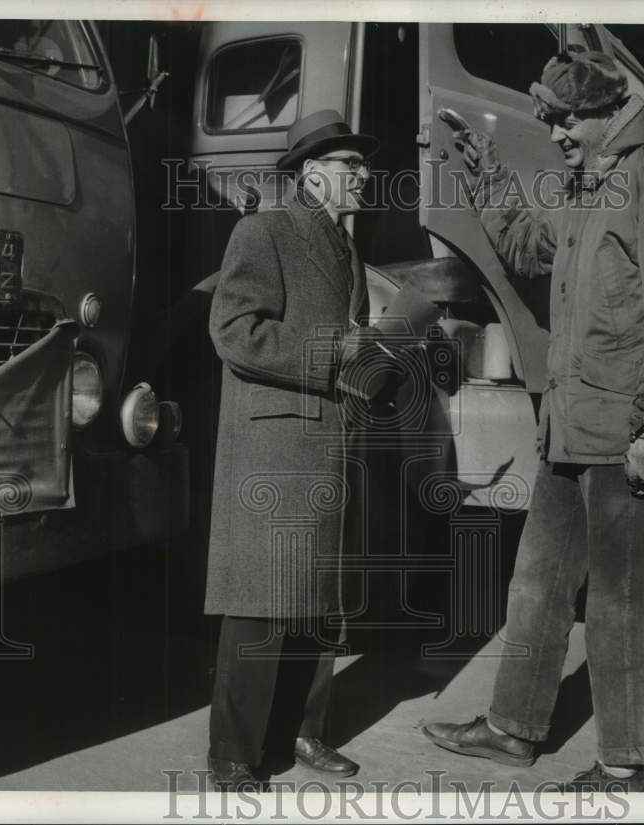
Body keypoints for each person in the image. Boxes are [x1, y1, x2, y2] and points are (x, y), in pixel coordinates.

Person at [422, 51, 644, 792]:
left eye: (563, 120)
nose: (554, 134)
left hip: (622, 435)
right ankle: (512, 727)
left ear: (605, 113)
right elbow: (525, 244)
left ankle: (625, 760)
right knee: (539, 582)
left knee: (622, 600)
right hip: (570, 427)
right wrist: (485, 169)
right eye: (548, 119)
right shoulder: (591, 186)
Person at [205, 109, 382, 790]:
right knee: (260, 598)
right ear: (311, 176)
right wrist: (335, 351)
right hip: (275, 443)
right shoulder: (263, 231)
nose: (363, 175)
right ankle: (232, 753)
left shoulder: (345, 248)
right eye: (349, 165)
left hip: (328, 439)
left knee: (317, 597)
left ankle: (303, 731)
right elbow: (234, 330)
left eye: (363, 165)